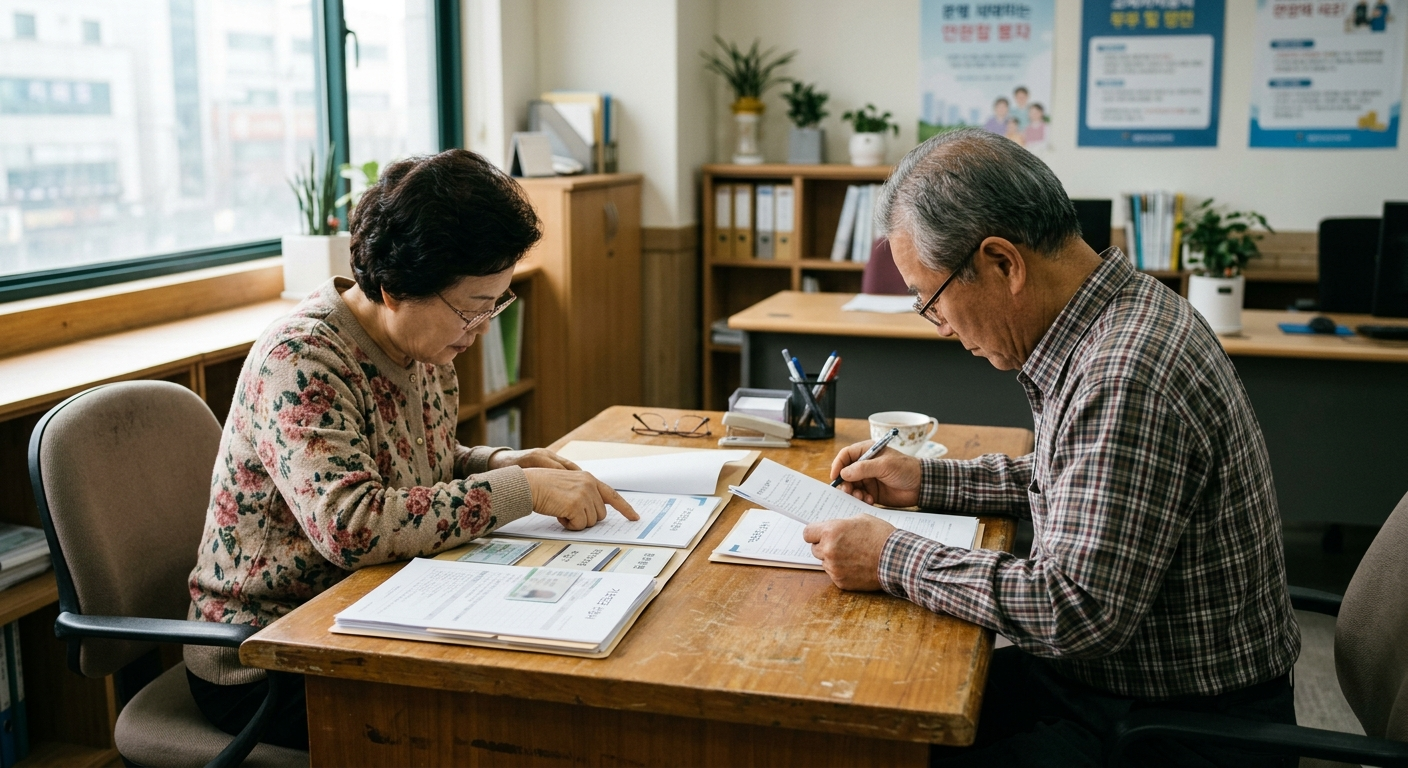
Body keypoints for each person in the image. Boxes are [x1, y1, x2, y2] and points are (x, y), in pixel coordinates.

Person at [802, 129, 1299, 767]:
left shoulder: (1124, 371)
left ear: (1003, 263)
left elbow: (1075, 610)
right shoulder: (1120, 313)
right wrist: (928, 482)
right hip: (1127, 689)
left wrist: (890, 557)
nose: (942, 326)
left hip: (1178, 729)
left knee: (867, 741)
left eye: (932, 300)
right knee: (870, 717)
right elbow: (1079, 479)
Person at [183, 149, 639, 750]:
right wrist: (522, 491)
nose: (480, 331)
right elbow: (354, 524)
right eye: (473, 309)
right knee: (511, 725)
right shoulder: (301, 361)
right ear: (396, 287)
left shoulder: (422, 346)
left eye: (496, 304)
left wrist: (501, 463)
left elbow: (424, 465)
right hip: (268, 655)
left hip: (372, 611)